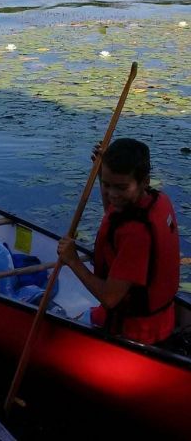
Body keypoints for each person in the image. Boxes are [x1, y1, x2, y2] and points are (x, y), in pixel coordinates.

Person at [57, 138, 180, 345]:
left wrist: (73, 261)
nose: (112, 194)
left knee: (57, 311)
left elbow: (110, 298)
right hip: (163, 321)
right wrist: (100, 174)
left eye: (121, 187)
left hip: (134, 331)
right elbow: (114, 215)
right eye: (107, 185)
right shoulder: (155, 201)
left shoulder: (136, 234)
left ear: (144, 182)